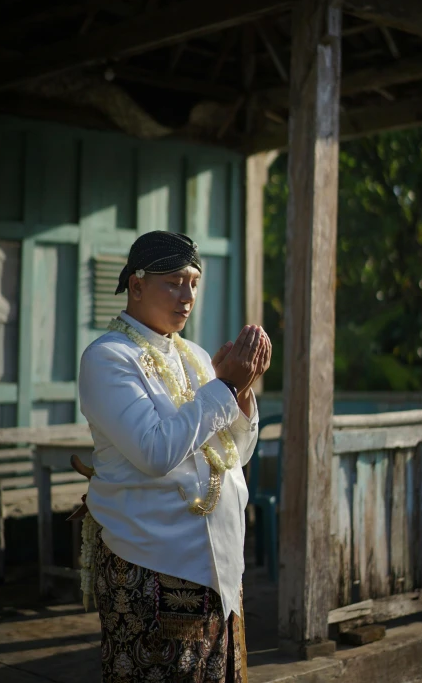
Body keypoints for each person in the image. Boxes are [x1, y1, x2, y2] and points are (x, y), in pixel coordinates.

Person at [76, 230, 271, 682]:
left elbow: (235, 453)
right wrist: (223, 387)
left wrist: (239, 393)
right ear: (137, 286)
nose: (187, 296)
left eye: (194, 283)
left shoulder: (197, 356)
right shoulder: (109, 358)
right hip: (152, 562)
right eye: (173, 282)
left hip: (219, 564)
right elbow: (156, 452)